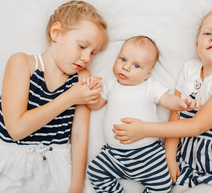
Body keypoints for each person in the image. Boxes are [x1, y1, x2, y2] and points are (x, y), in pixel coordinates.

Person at [113, 9, 212, 193]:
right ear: (198, 42)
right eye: (208, 33)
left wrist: (144, 129)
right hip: (190, 158)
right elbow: (176, 114)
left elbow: (197, 126)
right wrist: (170, 157)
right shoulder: (190, 69)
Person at [0, 0, 108, 193]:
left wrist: (77, 184)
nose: (87, 58)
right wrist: (70, 97)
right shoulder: (22, 63)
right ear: (57, 33)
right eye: (82, 46)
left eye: (93, 52)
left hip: (54, 163)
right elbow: (17, 130)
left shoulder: (81, 79)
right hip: (10, 161)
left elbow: (79, 134)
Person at [85, 35, 201, 193]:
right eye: (123, 59)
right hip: (114, 155)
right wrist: (89, 93)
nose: (126, 68)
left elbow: (167, 100)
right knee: (95, 171)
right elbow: (96, 105)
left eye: (136, 66)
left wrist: (181, 103)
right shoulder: (110, 84)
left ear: (148, 72)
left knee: (162, 185)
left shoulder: (150, 86)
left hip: (148, 154)